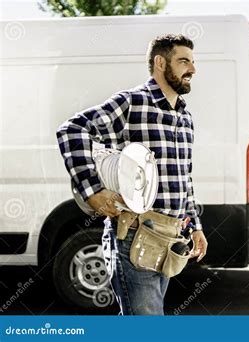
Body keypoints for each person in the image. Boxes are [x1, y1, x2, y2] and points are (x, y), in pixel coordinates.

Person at [56, 34, 208, 315]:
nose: (193, 69)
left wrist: (194, 227)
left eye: (193, 62)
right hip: (133, 235)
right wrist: (92, 191)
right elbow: (72, 130)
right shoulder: (131, 102)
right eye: (184, 61)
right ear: (160, 63)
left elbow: (184, 178)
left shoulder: (185, 118)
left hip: (171, 237)